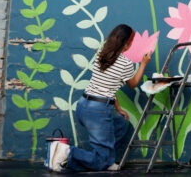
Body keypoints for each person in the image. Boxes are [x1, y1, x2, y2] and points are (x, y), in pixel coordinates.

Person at [49, 24, 151, 172]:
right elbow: (133, 84)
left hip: (84, 105)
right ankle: (67, 152)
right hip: (98, 111)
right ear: (127, 44)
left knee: (122, 123)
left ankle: (105, 159)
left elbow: (108, 84)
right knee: (100, 162)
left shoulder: (101, 55)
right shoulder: (125, 64)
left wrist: (118, 108)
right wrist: (143, 64)